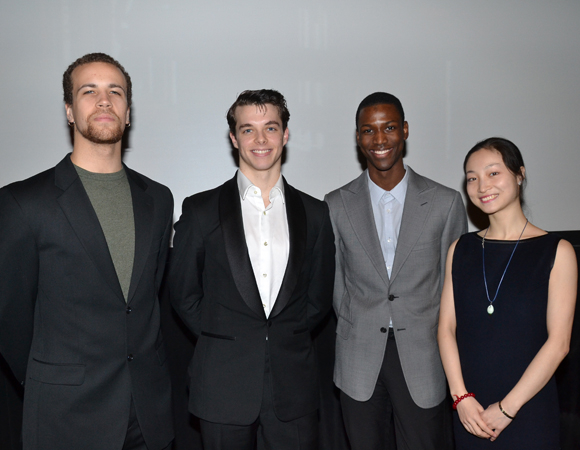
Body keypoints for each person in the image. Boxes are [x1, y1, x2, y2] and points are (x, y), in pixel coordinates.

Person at [0, 53, 174, 450]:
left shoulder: (160, 199)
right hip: (66, 415)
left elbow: (146, 299)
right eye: (88, 91)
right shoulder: (23, 202)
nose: (103, 100)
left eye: (116, 91)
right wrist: (51, 379)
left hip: (149, 415)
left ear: (128, 112)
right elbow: (9, 315)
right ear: (69, 110)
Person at [169, 89, 335, 450]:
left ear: (285, 135)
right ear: (234, 138)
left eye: (270, 128)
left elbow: (319, 298)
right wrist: (226, 336)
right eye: (248, 130)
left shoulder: (316, 214)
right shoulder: (200, 210)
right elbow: (183, 294)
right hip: (221, 386)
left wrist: (282, 337)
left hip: (294, 389)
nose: (260, 140)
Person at [324, 92, 467, 450]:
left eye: (388, 127)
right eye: (368, 130)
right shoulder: (335, 204)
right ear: (358, 138)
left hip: (423, 356)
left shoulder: (445, 202)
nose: (379, 139)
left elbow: (454, 286)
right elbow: (337, 284)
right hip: (359, 357)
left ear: (404, 130)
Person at [438, 137, 577, 449]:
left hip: (528, 409)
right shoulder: (460, 249)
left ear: (519, 174)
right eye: (471, 178)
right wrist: (460, 397)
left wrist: (506, 409)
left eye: (493, 173)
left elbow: (559, 344)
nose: (481, 185)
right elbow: (446, 328)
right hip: (469, 412)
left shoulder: (557, 251)